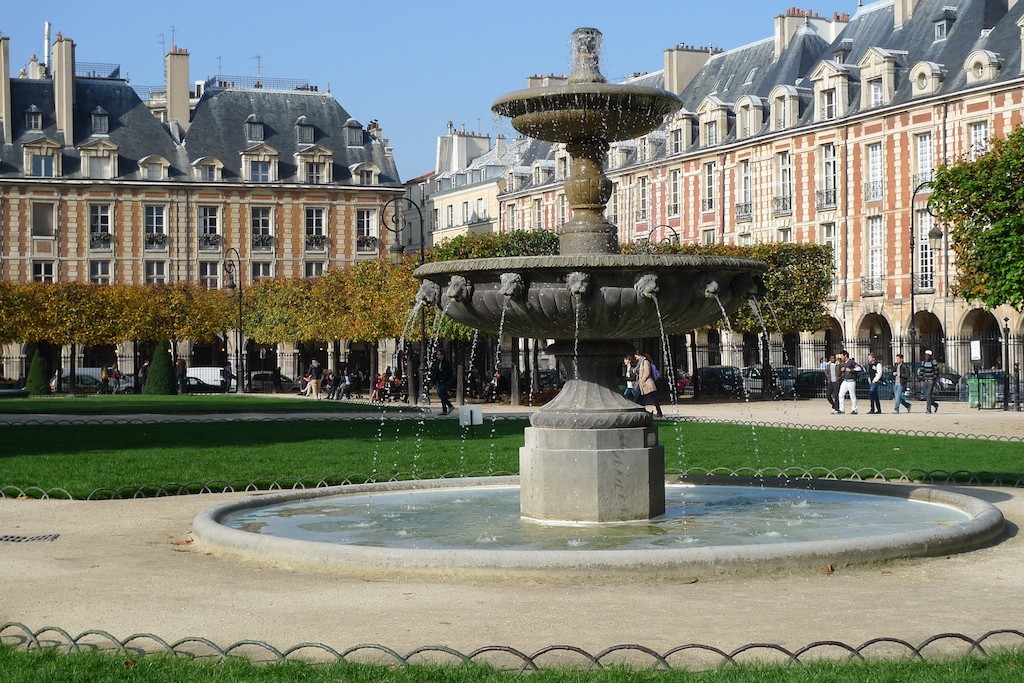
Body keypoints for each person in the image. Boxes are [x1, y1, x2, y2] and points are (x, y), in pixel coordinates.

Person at [634, 351, 663, 418]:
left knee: (653, 398)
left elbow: (647, 372)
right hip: (642, 384)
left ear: (640, 355)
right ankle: (642, 411)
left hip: (647, 383)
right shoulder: (641, 363)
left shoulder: (645, 362)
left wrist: (642, 380)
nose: (636, 358)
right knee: (638, 397)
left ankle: (659, 412)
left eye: (637, 356)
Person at [836, 350, 861, 415]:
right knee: (841, 394)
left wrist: (851, 370)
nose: (841, 357)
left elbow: (859, 368)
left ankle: (854, 409)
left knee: (852, 396)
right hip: (845, 380)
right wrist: (843, 370)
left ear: (845, 355)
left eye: (841, 355)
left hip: (851, 381)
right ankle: (842, 409)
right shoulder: (844, 362)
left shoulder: (851, 362)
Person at [433, 349, 454, 415]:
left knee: (441, 394)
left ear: (442, 355)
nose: (437, 356)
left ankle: (450, 406)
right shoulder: (439, 362)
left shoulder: (446, 363)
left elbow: (448, 372)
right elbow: (438, 372)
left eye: (438, 354)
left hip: (445, 381)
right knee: (443, 395)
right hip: (440, 381)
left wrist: (448, 380)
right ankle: (444, 410)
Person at [920, 349, 940, 414]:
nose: (926, 357)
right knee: (926, 395)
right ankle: (934, 404)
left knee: (928, 394)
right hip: (925, 380)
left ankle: (928, 410)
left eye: (928, 355)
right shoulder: (923, 362)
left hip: (931, 380)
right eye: (926, 355)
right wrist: (920, 379)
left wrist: (933, 379)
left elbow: (936, 371)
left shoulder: (933, 362)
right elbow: (922, 371)